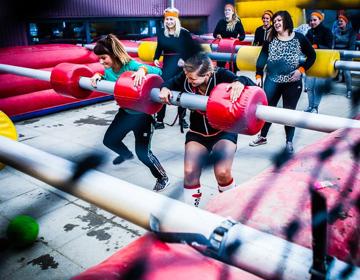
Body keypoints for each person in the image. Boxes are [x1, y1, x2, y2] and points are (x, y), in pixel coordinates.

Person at [159, 52, 256, 207]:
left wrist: (240, 81)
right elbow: (168, 83)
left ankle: (230, 207)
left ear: (208, 74)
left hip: (224, 131)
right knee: (190, 173)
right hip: (197, 132)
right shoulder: (186, 77)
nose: (189, 81)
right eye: (187, 76)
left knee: (222, 173)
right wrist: (164, 89)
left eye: (193, 78)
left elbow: (252, 85)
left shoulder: (222, 75)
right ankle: (192, 212)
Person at [90, 34, 169, 192]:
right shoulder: (110, 70)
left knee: (143, 153)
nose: (101, 61)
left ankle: (162, 177)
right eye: (98, 58)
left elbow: (158, 72)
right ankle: (126, 154)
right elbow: (107, 78)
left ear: (114, 54)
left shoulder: (131, 65)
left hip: (143, 116)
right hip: (125, 112)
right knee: (110, 140)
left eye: (103, 57)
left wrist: (142, 69)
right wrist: (98, 75)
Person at [249, 11, 316, 153]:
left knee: (289, 113)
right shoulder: (270, 38)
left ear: (286, 21)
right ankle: (262, 137)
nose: (276, 23)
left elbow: (312, 55)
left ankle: (289, 142)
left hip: (292, 83)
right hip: (272, 80)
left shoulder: (299, 38)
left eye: (279, 20)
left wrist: (301, 70)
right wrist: (259, 76)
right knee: (268, 110)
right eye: (275, 21)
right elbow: (262, 58)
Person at [153, 7, 201, 130]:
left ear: (176, 20)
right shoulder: (161, 32)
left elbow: (191, 49)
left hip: (181, 65)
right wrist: (156, 58)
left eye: (171, 19)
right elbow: (159, 47)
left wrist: (184, 59)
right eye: (167, 19)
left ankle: (182, 118)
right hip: (168, 65)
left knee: (182, 91)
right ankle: (159, 119)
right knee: (163, 89)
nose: (169, 21)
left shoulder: (184, 33)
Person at [304, 11, 333, 113]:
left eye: (315, 20)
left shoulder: (327, 31)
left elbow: (329, 47)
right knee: (310, 87)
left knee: (317, 88)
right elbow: (304, 45)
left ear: (320, 20)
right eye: (311, 20)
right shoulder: (309, 32)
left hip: (322, 63)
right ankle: (310, 106)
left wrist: (317, 46)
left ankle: (315, 107)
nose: (312, 22)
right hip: (311, 63)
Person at [213, 3, 245, 71]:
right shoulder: (221, 22)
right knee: (220, 68)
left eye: (229, 10)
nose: (227, 11)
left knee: (233, 68)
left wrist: (237, 39)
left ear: (233, 12)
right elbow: (214, 34)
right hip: (222, 47)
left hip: (232, 48)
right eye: (226, 10)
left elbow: (243, 36)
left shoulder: (237, 22)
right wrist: (217, 35)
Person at [332, 13, 356, 99]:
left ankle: (349, 90)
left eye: (341, 21)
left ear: (346, 22)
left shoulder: (352, 32)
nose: (339, 23)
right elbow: (332, 44)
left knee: (346, 72)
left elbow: (352, 46)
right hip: (336, 54)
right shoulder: (335, 31)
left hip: (347, 54)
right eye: (338, 21)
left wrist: (346, 56)